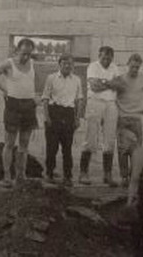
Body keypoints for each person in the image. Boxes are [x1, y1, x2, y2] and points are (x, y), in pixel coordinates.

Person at [0, 38, 37, 188]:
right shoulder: (9, 63)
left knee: (24, 143)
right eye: (23, 54)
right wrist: (5, 89)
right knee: (9, 143)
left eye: (29, 54)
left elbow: (32, 83)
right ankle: (7, 175)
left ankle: (21, 174)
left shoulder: (32, 64)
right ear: (17, 51)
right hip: (13, 105)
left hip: (28, 106)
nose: (26, 57)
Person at [114, 53, 143, 187]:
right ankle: (124, 177)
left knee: (137, 150)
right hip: (122, 119)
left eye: (137, 67)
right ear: (128, 64)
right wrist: (117, 108)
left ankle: (135, 177)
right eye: (133, 67)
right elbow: (112, 96)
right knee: (122, 150)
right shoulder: (120, 79)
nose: (134, 70)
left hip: (136, 119)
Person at [79, 46, 120, 186]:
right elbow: (94, 87)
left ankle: (107, 175)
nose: (106, 60)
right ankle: (83, 173)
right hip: (95, 102)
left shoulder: (115, 68)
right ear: (99, 55)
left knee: (109, 139)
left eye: (109, 57)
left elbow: (119, 85)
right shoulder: (93, 66)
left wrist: (103, 82)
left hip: (111, 103)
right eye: (104, 57)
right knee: (91, 137)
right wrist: (110, 83)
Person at [42, 53, 83, 187]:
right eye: (64, 63)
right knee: (52, 147)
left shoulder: (77, 79)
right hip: (54, 113)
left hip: (69, 114)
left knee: (67, 148)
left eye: (70, 63)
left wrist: (77, 118)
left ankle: (68, 176)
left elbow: (79, 100)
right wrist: (47, 117)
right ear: (59, 64)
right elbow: (45, 99)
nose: (67, 66)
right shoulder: (51, 78)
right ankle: (49, 173)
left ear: (73, 65)